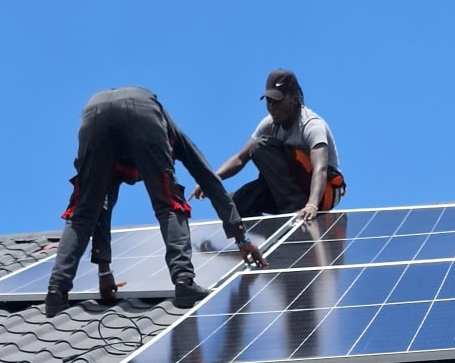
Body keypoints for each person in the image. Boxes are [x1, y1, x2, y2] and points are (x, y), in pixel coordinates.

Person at [47, 87, 267, 316]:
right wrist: (240, 237)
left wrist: (104, 271)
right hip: (142, 111)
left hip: (92, 115)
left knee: (83, 212)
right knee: (170, 204)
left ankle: (56, 292)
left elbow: (100, 208)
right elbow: (207, 178)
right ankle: (184, 282)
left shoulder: (116, 160)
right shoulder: (171, 132)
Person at [201, 69, 345, 221]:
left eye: (277, 101)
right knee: (234, 207)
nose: (272, 107)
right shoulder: (270, 124)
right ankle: (275, 237)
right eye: (269, 101)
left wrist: (312, 204)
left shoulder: (312, 126)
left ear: (295, 99)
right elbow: (240, 158)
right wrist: (211, 179)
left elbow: (320, 168)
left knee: (261, 145)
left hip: (321, 193)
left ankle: (294, 209)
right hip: (286, 190)